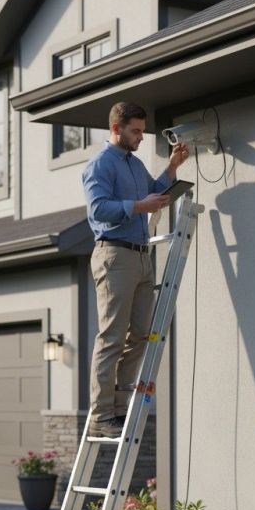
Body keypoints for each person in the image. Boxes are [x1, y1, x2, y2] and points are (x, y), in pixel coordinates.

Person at [83, 101, 190, 437]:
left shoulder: (134, 163)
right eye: (136, 131)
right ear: (117, 129)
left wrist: (172, 167)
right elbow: (98, 209)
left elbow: (153, 192)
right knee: (112, 338)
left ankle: (119, 408)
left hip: (142, 256)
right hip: (115, 255)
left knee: (140, 335)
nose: (141, 137)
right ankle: (101, 416)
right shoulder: (100, 165)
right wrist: (139, 206)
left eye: (143, 131)